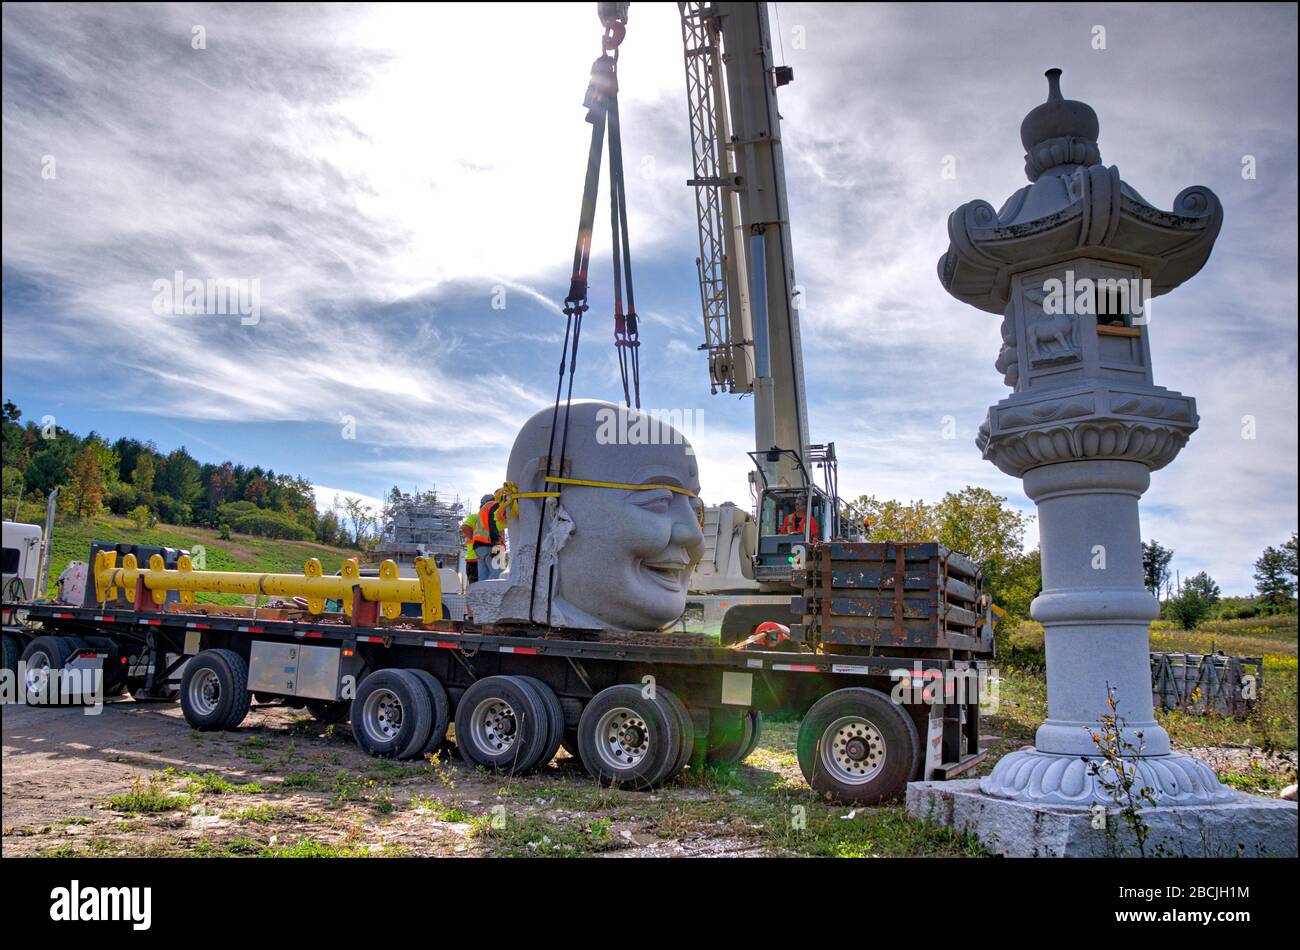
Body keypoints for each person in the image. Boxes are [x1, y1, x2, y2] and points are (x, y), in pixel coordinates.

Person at [472, 493, 505, 580]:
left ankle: (481, 593)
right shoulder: (494, 505)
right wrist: (496, 541)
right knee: (497, 574)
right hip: (492, 544)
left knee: (483, 576)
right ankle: (493, 593)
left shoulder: (482, 510)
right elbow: (492, 522)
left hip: (479, 547)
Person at [460, 509, 479, 583]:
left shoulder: (475, 517)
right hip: (476, 558)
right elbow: (464, 527)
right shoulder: (477, 517)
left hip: (472, 557)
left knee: (473, 583)